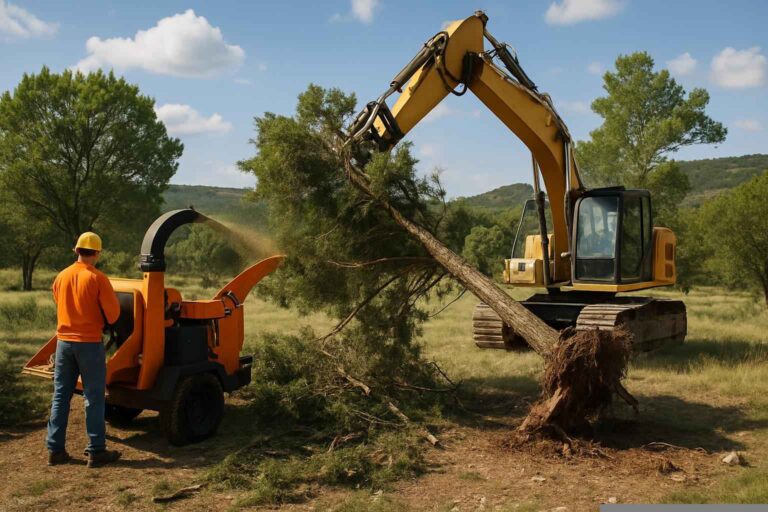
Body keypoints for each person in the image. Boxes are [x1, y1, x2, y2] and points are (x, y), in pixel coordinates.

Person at [46, 232, 122, 468]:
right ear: (97, 253)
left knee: (61, 395)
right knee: (93, 396)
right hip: (88, 344)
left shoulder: (61, 276)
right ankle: (96, 451)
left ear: (77, 251)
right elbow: (113, 315)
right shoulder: (98, 278)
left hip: (64, 343)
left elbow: (60, 303)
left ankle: (55, 450)